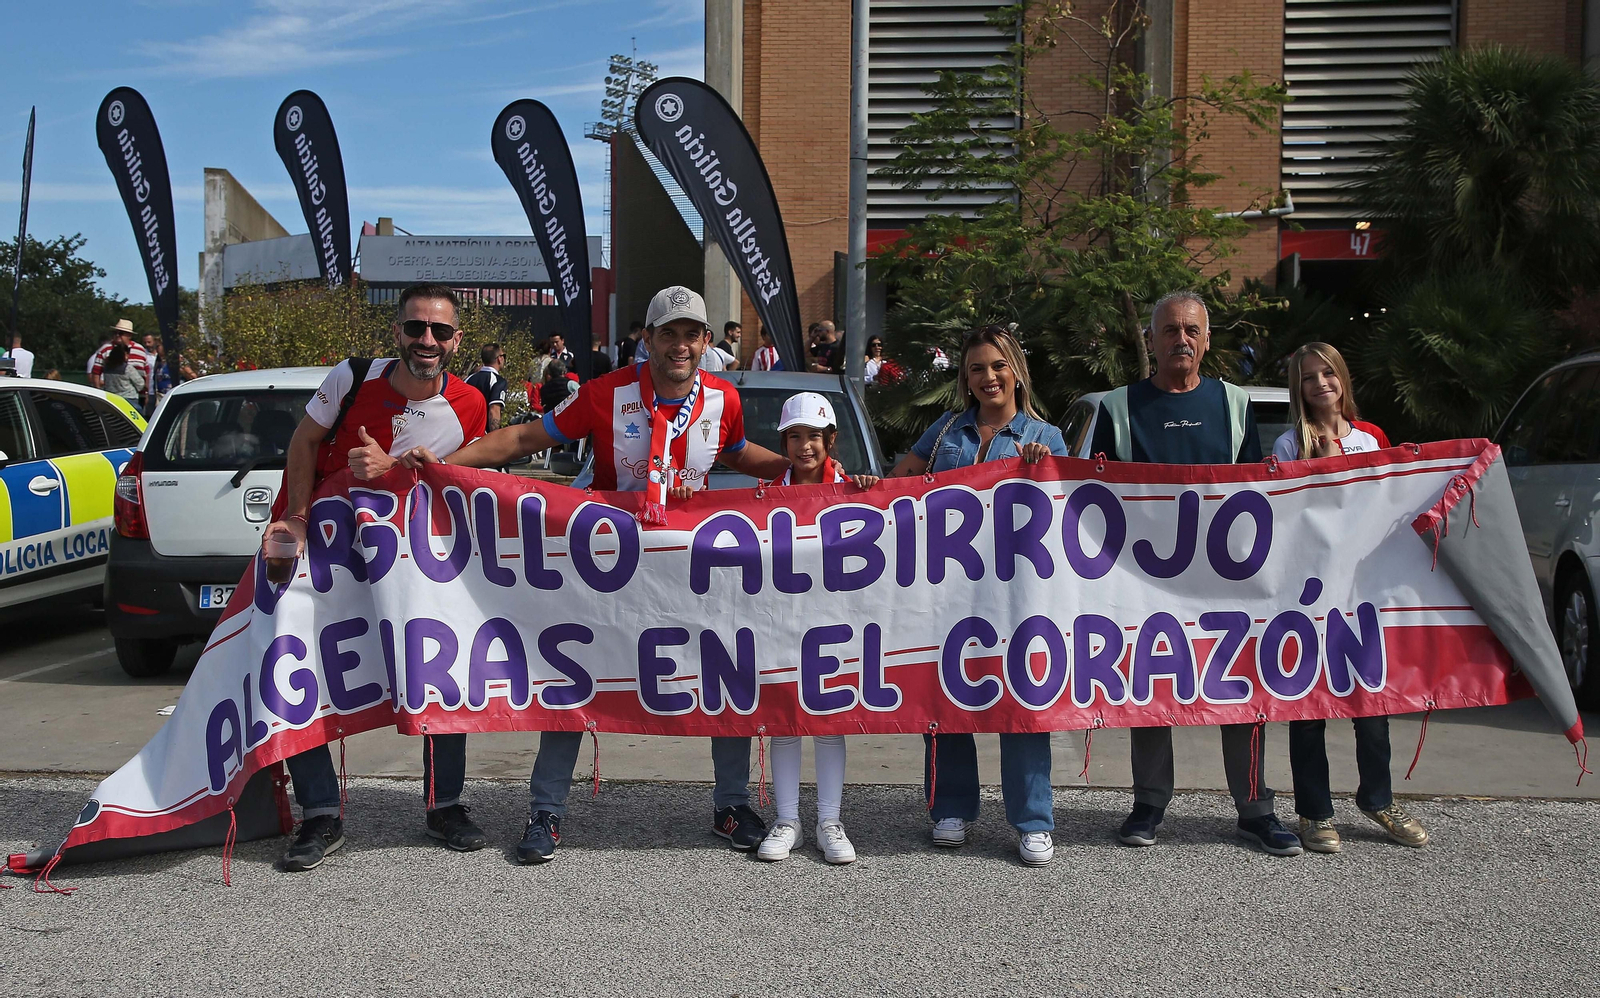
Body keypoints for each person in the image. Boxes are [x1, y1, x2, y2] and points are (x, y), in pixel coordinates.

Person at [400, 285, 791, 864]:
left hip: (691, 567)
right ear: (648, 340)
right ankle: (547, 811)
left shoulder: (723, 398)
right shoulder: (607, 394)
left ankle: (731, 804)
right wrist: (442, 466)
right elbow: (528, 437)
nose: (680, 346)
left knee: (720, 671)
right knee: (575, 678)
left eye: (691, 335)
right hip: (606, 564)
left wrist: (811, 471)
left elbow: (737, 454)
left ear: (706, 342)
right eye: (668, 334)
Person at [260, 283, 489, 872]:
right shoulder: (352, 377)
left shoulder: (469, 404)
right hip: (328, 550)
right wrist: (294, 517)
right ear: (397, 333)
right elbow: (304, 442)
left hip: (409, 562)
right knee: (301, 664)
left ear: (456, 340)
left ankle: (446, 804)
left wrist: (394, 470)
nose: (427, 340)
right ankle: (318, 815)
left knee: (438, 662)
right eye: (416, 328)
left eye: (439, 331)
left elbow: (453, 482)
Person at [1088, 290, 1302, 857]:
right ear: (1151, 341)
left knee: (1242, 682)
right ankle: (1149, 802)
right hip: (1145, 580)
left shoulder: (1235, 404)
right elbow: (1093, 497)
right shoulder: (1118, 408)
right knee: (1152, 684)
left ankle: (1255, 808)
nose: (1180, 339)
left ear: (1206, 341)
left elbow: (1258, 493)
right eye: (1169, 330)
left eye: (1191, 330)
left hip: (1225, 581)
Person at [888, 325, 1066, 867]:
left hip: (1019, 593)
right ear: (964, 379)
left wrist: (1044, 467)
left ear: (1016, 370)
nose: (988, 377)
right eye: (976, 369)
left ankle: (1033, 821)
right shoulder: (945, 433)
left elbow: (1069, 510)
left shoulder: (1046, 436)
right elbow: (900, 484)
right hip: (947, 590)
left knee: (1024, 699)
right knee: (944, 695)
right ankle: (951, 809)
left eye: (997, 366)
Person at [1272, 342, 1427, 853]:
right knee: (1308, 705)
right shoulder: (1288, 446)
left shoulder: (1372, 438)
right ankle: (1314, 812)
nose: (1320, 384)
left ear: (1342, 378)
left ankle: (1378, 798)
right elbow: (1285, 518)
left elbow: (1389, 506)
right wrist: (1317, 465)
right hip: (1308, 594)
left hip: (1364, 593)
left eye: (1328, 374)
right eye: (1308, 377)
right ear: (1298, 387)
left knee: (1371, 703)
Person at [757, 392, 879, 865]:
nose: (804, 446)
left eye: (813, 436)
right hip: (782, 620)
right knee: (785, 720)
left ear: (830, 439)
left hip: (836, 622)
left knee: (830, 721)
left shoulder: (852, 488)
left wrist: (868, 490)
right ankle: (787, 820)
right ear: (783, 442)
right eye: (794, 437)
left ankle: (830, 819)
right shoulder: (765, 495)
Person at [91, 319, 151, 405]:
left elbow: (146, 372)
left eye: (121, 333)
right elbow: (96, 372)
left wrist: (146, 393)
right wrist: (98, 392)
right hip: (112, 397)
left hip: (137, 396)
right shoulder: (105, 349)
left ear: (129, 335)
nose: (117, 335)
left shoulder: (140, 349)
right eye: (115, 333)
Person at [466, 342, 509, 432]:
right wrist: (495, 437)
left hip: (466, 433)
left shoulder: (469, 379)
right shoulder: (498, 381)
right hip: (483, 435)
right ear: (499, 359)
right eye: (503, 356)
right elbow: (494, 410)